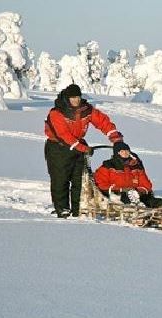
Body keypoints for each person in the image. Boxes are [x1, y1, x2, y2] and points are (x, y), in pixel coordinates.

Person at [44, 84, 124, 218]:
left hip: (78, 147)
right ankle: (62, 209)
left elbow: (102, 122)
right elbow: (63, 135)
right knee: (60, 179)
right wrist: (83, 148)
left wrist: (116, 138)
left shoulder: (86, 110)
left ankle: (78, 209)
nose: (76, 100)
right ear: (67, 98)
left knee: (79, 180)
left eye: (78, 97)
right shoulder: (57, 113)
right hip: (58, 149)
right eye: (73, 97)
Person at [93, 142, 162, 208]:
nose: (125, 153)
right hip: (117, 194)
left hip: (136, 192)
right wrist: (120, 189)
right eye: (122, 151)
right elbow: (101, 184)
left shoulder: (136, 166)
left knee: (147, 199)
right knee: (127, 196)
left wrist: (139, 191)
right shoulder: (108, 166)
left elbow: (146, 185)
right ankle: (137, 205)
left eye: (127, 151)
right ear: (117, 153)